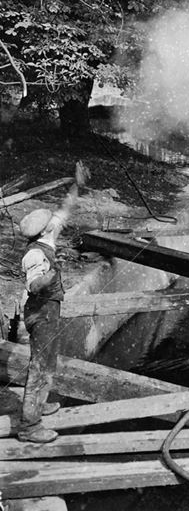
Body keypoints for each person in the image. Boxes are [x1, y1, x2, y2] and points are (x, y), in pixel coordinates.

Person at [17, 161, 87, 443]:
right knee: (39, 366)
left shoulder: (48, 238)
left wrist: (77, 186)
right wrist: (53, 273)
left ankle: (41, 403)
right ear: (43, 231)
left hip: (50, 311)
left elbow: (64, 210)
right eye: (50, 223)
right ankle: (29, 426)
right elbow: (34, 286)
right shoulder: (34, 256)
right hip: (40, 314)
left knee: (48, 362)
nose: (54, 223)